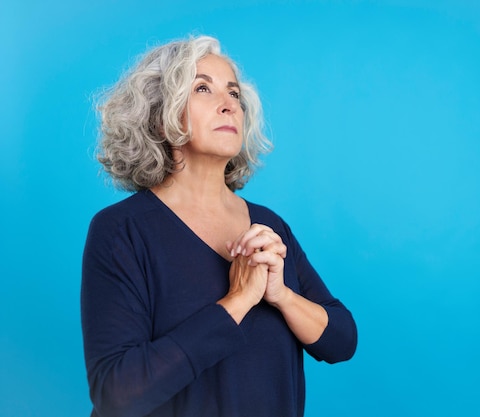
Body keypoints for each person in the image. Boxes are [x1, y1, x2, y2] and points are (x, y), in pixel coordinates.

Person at [81, 35, 357, 417]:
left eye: (234, 94)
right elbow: (117, 393)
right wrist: (238, 301)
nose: (228, 105)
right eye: (202, 88)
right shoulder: (121, 230)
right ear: (161, 117)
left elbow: (342, 340)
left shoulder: (269, 226)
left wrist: (281, 296)